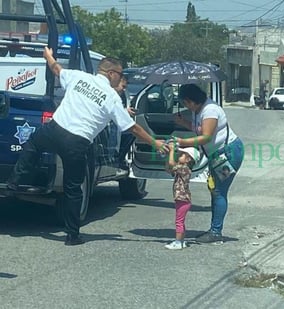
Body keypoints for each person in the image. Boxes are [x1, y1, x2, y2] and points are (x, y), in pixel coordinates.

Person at [7, 46, 167, 246]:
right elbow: (131, 128)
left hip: (55, 129)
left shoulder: (79, 77)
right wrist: (155, 142)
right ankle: (72, 235)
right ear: (111, 74)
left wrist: (48, 56)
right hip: (76, 143)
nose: (121, 78)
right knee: (73, 188)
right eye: (120, 74)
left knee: (33, 145)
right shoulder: (111, 97)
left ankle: (14, 182)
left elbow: (57, 69)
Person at [174, 84, 244, 244]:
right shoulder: (198, 111)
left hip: (228, 154)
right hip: (216, 154)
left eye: (185, 103)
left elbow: (205, 136)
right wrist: (183, 123)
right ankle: (214, 229)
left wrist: (183, 142)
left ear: (191, 101)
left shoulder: (210, 110)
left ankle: (216, 231)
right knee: (214, 189)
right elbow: (200, 129)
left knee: (219, 191)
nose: (185, 106)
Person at [165, 141, 199, 250]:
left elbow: (171, 164)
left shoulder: (185, 169)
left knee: (179, 221)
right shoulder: (181, 168)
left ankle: (178, 242)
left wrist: (171, 151)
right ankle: (182, 241)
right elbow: (169, 168)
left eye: (182, 155)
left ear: (189, 160)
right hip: (182, 199)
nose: (179, 155)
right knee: (181, 221)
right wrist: (167, 155)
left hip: (182, 199)